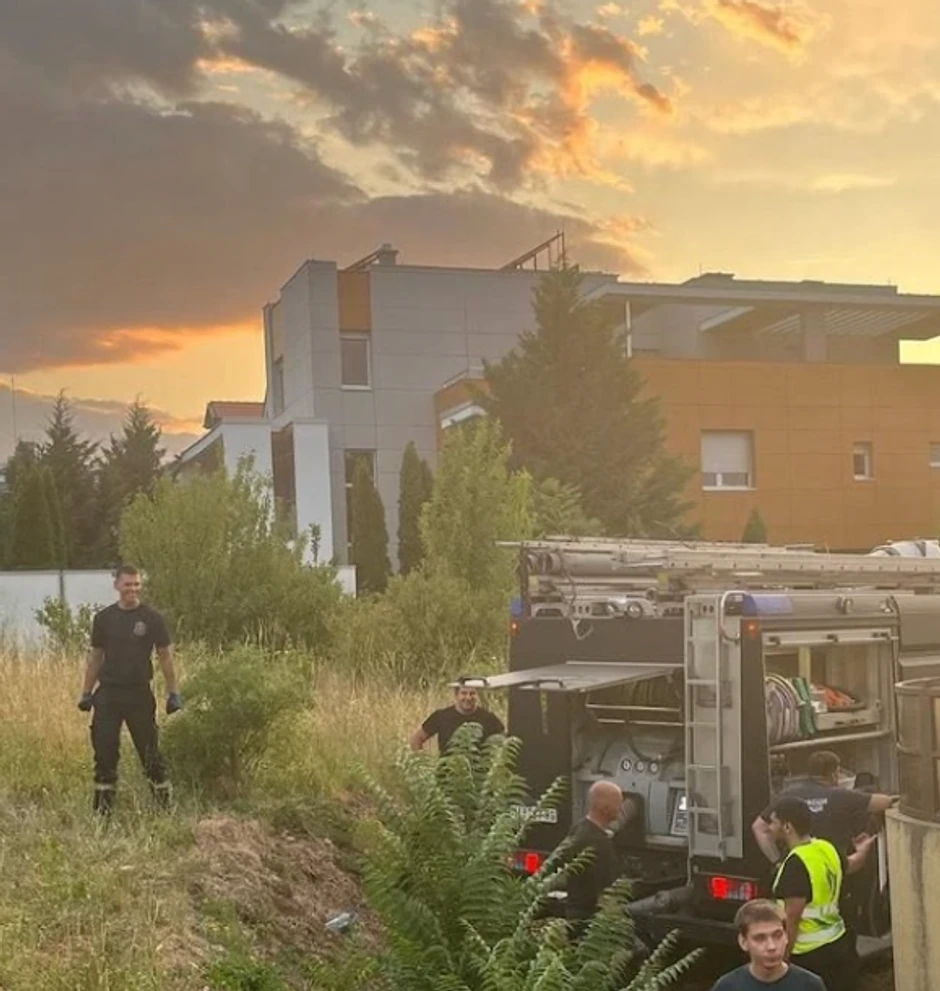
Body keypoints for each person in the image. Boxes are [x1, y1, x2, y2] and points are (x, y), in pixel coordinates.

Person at [77, 565, 182, 813]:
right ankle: (103, 816)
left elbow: (166, 657)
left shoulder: (152, 618)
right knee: (104, 755)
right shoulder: (103, 619)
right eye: (128, 585)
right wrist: (86, 693)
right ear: (117, 586)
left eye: (136, 585)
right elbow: (96, 657)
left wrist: (173, 693)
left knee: (150, 754)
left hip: (139, 695)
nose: (132, 590)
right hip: (109, 695)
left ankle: (165, 810)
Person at [767, 796, 875, 991]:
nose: (769, 827)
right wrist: (864, 849)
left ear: (787, 827)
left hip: (809, 956)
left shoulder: (795, 864)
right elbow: (852, 864)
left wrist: (782, 960)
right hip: (839, 944)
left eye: (774, 822)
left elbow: (793, 918)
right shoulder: (826, 848)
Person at [752, 750, 895, 863]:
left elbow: (758, 828)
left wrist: (777, 861)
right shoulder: (843, 796)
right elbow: (886, 802)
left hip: (796, 869)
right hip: (834, 867)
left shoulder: (786, 795)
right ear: (833, 774)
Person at [711, 900, 826, 990]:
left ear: (786, 936)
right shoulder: (727, 987)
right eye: (760, 938)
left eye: (777, 935)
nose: (771, 946)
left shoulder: (810, 986)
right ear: (743, 942)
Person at [558, 780, 625, 928]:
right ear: (605, 808)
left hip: (573, 912)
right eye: (618, 804)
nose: (621, 809)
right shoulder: (598, 843)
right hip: (589, 921)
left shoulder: (579, 828)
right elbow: (605, 890)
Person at [409, 682, 504, 753]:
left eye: (472, 693)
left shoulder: (489, 718)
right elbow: (416, 739)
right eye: (464, 693)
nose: (468, 697)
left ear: (477, 695)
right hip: (446, 776)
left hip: (479, 777)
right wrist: (423, 769)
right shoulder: (441, 716)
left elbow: (505, 745)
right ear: (456, 695)